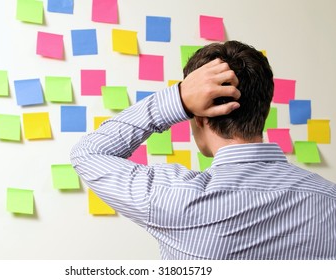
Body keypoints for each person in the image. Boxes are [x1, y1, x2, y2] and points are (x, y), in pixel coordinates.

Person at [70, 41, 336, 259]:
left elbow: (89, 154)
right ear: (264, 110)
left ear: (198, 116)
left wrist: (179, 99)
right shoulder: (329, 200)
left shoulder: (174, 198)